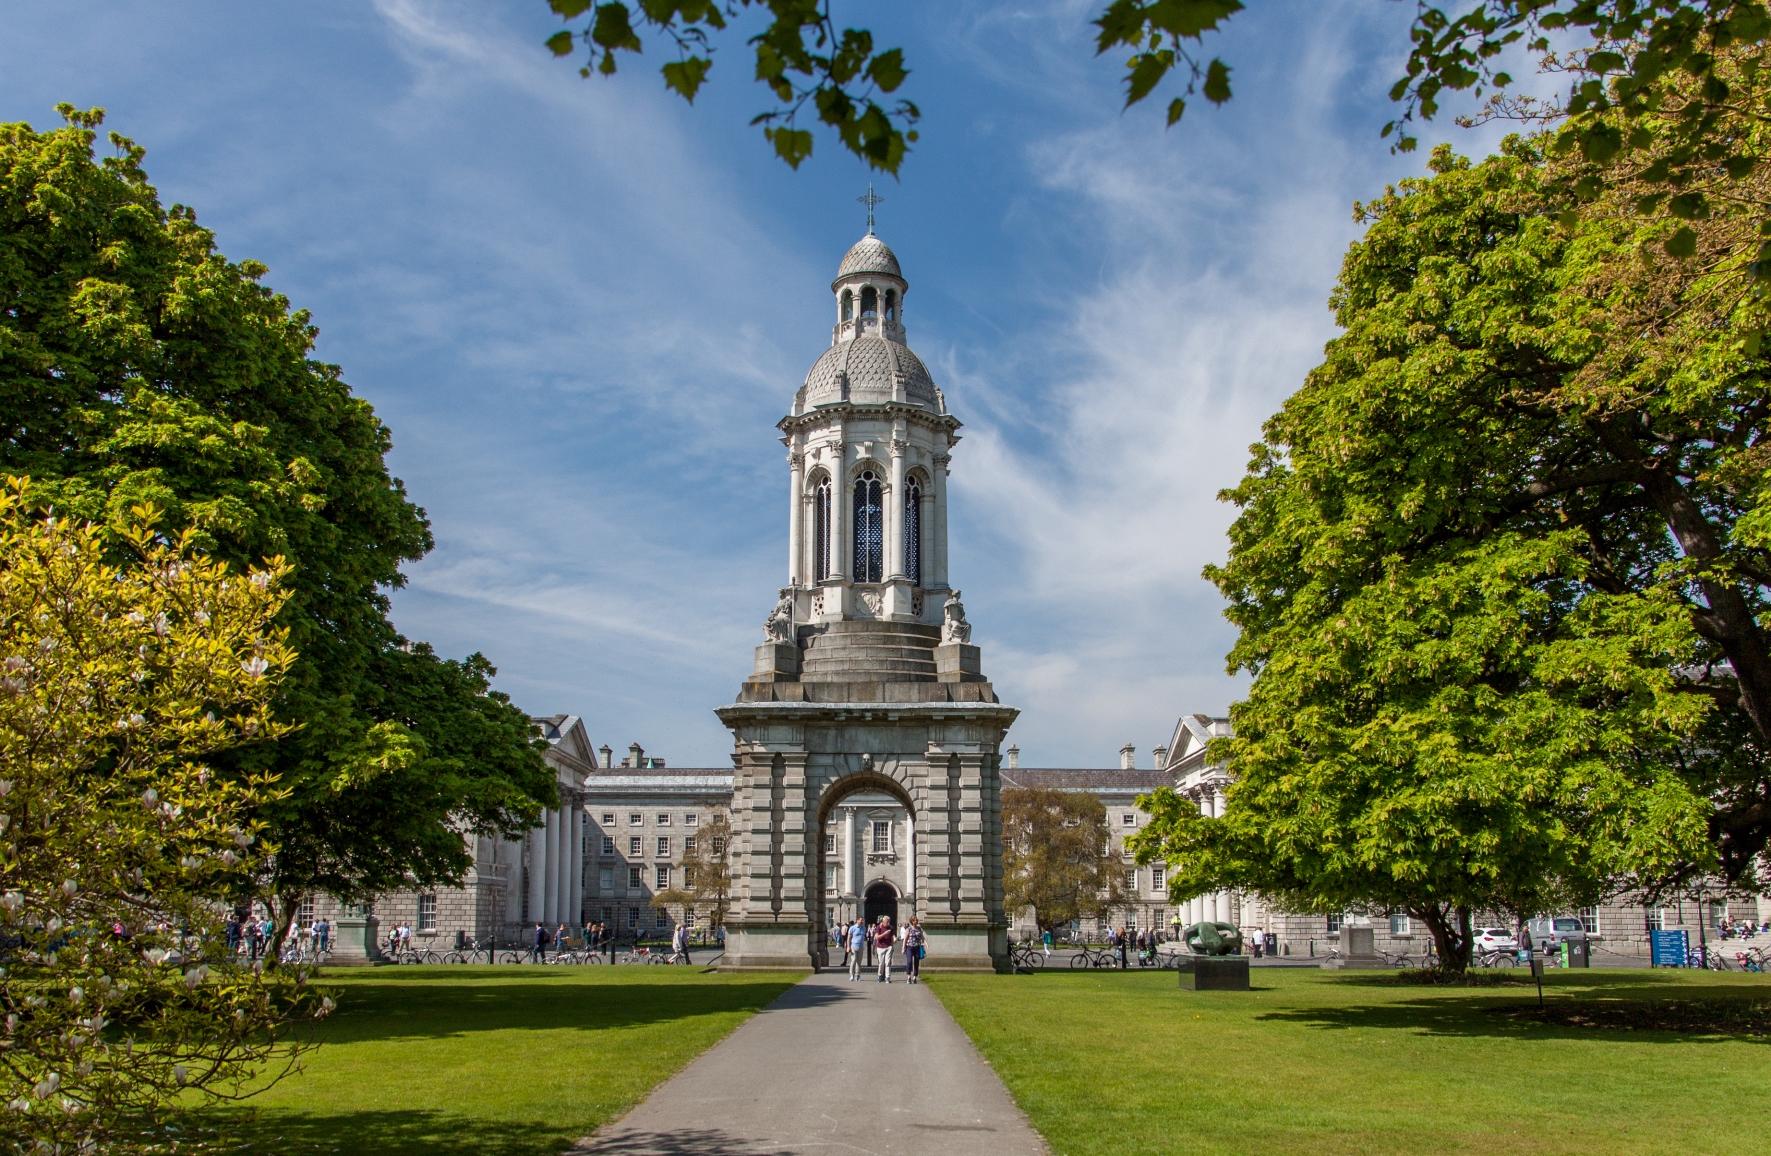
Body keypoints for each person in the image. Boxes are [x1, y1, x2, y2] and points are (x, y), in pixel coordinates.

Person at [903, 916, 925, 984]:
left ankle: (915, 977)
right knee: (909, 962)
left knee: (916, 963)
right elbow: (905, 939)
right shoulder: (908, 929)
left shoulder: (919, 929)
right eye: (915, 920)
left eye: (916, 920)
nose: (916, 921)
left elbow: (922, 937)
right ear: (912, 921)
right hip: (909, 947)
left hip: (917, 947)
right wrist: (903, 948)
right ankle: (909, 976)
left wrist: (926, 945)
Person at [874, 916, 895, 983]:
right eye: (887, 922)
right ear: (883, 922)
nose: (888, 923)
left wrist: (894, 940)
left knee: (888, 963)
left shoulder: (891, 928)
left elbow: (892, 937)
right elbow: (877, 937)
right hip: (880, 947)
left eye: (889, 921)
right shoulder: (878, 927)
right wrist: (885, 934)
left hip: (888, 946)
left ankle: (888, 977)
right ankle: (880, 975)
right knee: (881, 963)